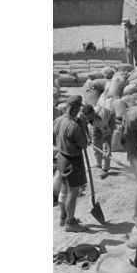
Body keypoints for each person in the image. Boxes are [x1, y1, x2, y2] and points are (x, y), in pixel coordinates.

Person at [52, 95, 88, 232]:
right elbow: (84, 144)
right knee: (73, 192)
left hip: (61, 158)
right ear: (76, 108)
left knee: (64, 189)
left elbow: (53, 139)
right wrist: (83, 127)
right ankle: (70, 222)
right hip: (72, 161)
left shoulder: (58, 120)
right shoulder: (74, 127)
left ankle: (63, 216)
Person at [81, 104, 116, 180]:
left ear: (93, 112)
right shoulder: (82, 115)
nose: (89, 118)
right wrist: (87, 137)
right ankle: (99, 163)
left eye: (90, 117)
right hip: (96, 123)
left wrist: (109, 150)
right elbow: (84, 125)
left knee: (105, 147)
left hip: (109, 119)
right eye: (87, 117)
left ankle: (105, 169)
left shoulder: (101, 117)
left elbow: (107, 135)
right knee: (95, 142)